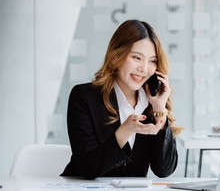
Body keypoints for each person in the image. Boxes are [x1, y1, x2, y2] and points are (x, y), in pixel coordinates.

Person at [61, 19, 182, 179]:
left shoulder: (152, 103)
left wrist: (160, 109)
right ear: (115, 56)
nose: (144, 69)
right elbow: (87, 168)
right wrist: (124, 132)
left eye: (152, 61)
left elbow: (164, 170)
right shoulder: (84, 97)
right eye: (136, 58)